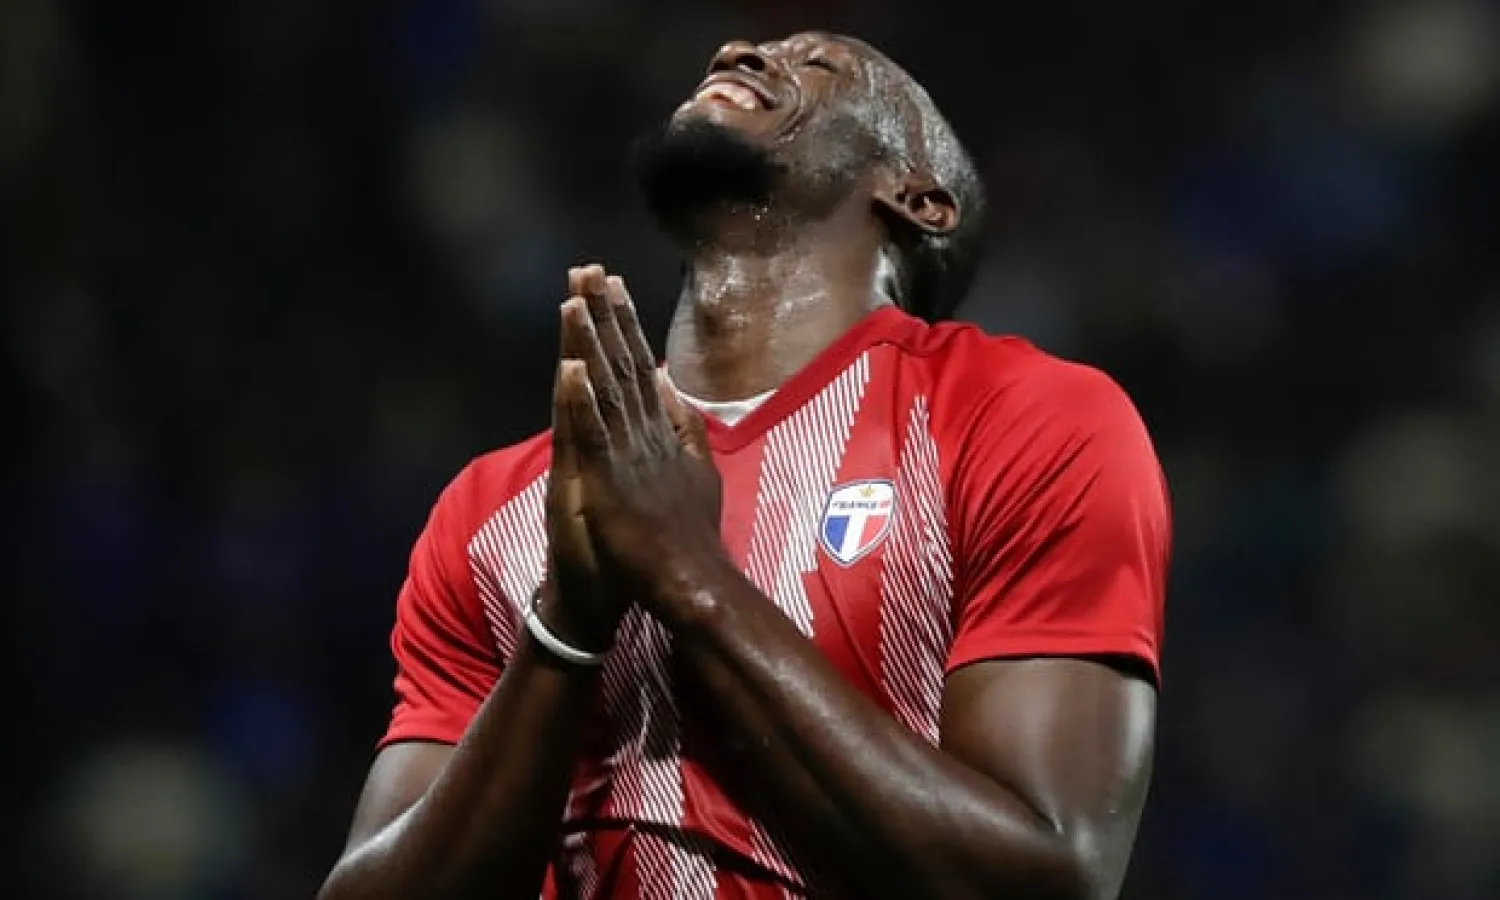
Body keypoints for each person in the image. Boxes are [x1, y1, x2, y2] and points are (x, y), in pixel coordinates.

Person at [319, 31, 1169, 900]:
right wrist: (567, 625)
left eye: (818, 66)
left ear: (918, 198)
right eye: (748, 47)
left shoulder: (1019, 419)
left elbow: (1055, 876)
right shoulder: (497, 509)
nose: (739, 52)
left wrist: (690, 575)